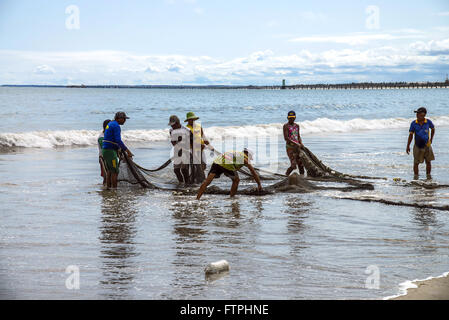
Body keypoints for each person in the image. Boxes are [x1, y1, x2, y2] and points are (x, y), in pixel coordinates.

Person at [196, 148, 262, 200]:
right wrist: (259, 184)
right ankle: (232, 198)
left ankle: (197, 198)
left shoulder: (236, 153)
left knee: (207, 181)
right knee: (236, 180)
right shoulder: (244, 159)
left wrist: (226, 172)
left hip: (217, 161)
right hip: (227, 164)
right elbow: (253, 173)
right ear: (248, 155)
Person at [102, 112, 134, 188]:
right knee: (115, 171)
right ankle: (114, 190)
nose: (124, 121)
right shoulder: (116, 126)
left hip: (106, 150)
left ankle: (108, 188)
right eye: (124, 119)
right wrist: (128, 151)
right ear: (118, 118)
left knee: (110, 170)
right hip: (110, 152)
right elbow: (118, 140)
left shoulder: (111, 124)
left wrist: (118, 149)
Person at [406, 107, 435, 179]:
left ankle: (428, 176)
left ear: (423, 114)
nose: (417, 115)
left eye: (419, 113)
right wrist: (408, 146)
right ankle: (416, 177)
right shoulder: (413, 123)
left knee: (428, 162)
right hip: (417, 146)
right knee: (416, 163)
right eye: (417, 113)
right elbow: (411, 135)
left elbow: (433, 129)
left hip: (427, 145)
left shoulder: (428, 122)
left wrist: (431, 139)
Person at [184, 111, 214, 183]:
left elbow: (203, 137)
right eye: (191, 119)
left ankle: (198, 178)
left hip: (201, 148)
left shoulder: (199, 127)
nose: (193, 121)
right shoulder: (186, 129)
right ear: (188, 120)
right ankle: (195, 179)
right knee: (195, 166)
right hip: (191, 149)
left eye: (194, 119)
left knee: (204, 165)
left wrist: (210, 146)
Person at [168, 115, 191, 184]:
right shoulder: (171, 131)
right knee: (176, 170)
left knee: (184, 169)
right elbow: (173, 142)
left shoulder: (186, 130)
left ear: (178, 123)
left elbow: (191, 142)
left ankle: (187, 183)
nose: (172, 127)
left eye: (173, 125)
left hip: (186, 150)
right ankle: (181, 183)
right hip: (177, 151)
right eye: (171, 125)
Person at [283, 110, 305, 176]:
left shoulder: (297, 126)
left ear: (295, 117)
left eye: (292, 117)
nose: (291, 119)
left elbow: (298, 136)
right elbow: (286, 138)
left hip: (297, 148)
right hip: (290, 148)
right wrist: (296, 143)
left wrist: (301, 143)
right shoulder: (286, 126)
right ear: (287, 118)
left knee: (301, 164)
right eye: (290, 118)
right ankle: (286, 175)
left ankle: (302, 178)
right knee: (293, 165)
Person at [98, 119, 111, 185]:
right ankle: (105, 188)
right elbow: (104, 147)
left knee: (110, 174)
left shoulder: (109, 135)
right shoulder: (101, 137)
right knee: (106, 175)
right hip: (103, 158)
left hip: (109, 157)